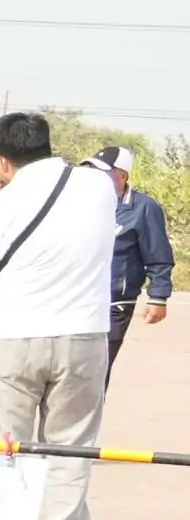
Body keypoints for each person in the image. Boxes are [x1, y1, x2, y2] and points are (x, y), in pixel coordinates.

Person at [0, 109, 123, 520]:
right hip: (84, 333)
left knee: (5, 438)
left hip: (16, 333)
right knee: (74, 439)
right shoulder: (98, 187)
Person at [103, 144, 171, 374]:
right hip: (80, 297)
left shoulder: (143, 208)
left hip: (116, 300)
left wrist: (158, 296)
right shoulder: (84, 204)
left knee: (98, 368)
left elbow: (158, 254)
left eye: (106, 172)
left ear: (123, 175)